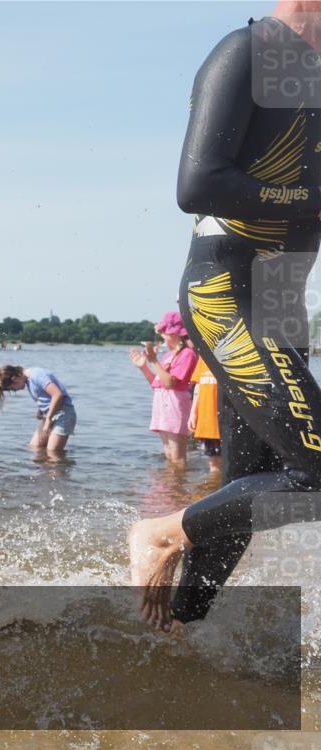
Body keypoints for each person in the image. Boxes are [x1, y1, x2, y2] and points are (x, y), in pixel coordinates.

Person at [129, 3, 321, 633]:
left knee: (248, 488)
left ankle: (173, 637)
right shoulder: (249, 53)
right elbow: (199, 183)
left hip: (281, 300)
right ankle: (159, 531)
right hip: (228, 291)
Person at [129, 311, 198, 467]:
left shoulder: (187, 354)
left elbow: (170, 383)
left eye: (164, 333)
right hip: (162, 405)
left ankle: (178, 488)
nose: (162, 336)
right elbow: (158, 383)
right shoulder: (169, 355)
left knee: (177, 457)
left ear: (176, 334)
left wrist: (153, 361)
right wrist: (144, 367)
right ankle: (171, 487)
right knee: (168, 452)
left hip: (175, 405)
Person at [0, 364, 76, 455]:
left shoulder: (37, 375)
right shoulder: (28, 381)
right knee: (34, 448)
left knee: (52, 454)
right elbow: (45, 396)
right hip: (50, 414)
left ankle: (57, 467)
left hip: (63, 414)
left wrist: (48, 419)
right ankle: (43, 469)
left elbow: (57, 395)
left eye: (12, 389)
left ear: (15, 379)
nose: (16, 391)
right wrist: (40, 411)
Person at [188, 356, 222, 473]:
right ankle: (214, 487)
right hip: (206, 417)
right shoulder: (204, 357)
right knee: (213, 462)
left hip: (223, 419)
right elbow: (198, 385)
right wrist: (193, 412)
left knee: (227, 460)